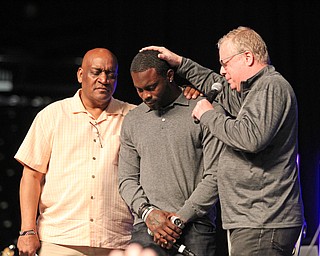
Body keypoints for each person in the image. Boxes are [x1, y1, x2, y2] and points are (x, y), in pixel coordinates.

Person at [141, 26, 305, 256]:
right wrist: (180, 63)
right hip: (253, 221)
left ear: (248, 57)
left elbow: (250, 138)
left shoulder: (271, 86)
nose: (223, 71)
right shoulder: (253, 92)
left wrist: (208, 114)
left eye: (226, 63)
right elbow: (217, 84)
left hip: (264, 222)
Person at [14, 48, 136, 256]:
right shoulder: (52, 115)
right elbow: (31, 176)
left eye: (111, 74)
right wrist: (27, 230)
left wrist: (191, 93)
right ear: (81, 75)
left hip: (117, 239)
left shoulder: (134, 117)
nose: (104, 79)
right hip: (60, 239)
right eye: (96, 72)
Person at [118, 50, 225, 256]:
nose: (145, 95)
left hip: (196, 228)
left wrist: (178, 219)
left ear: (169, 76)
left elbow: (215, 175)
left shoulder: (205, 111)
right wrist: (148, 213)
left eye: (151, 87)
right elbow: (127, 179)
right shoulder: (133, 120)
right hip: (147, 228)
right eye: (139, 90)